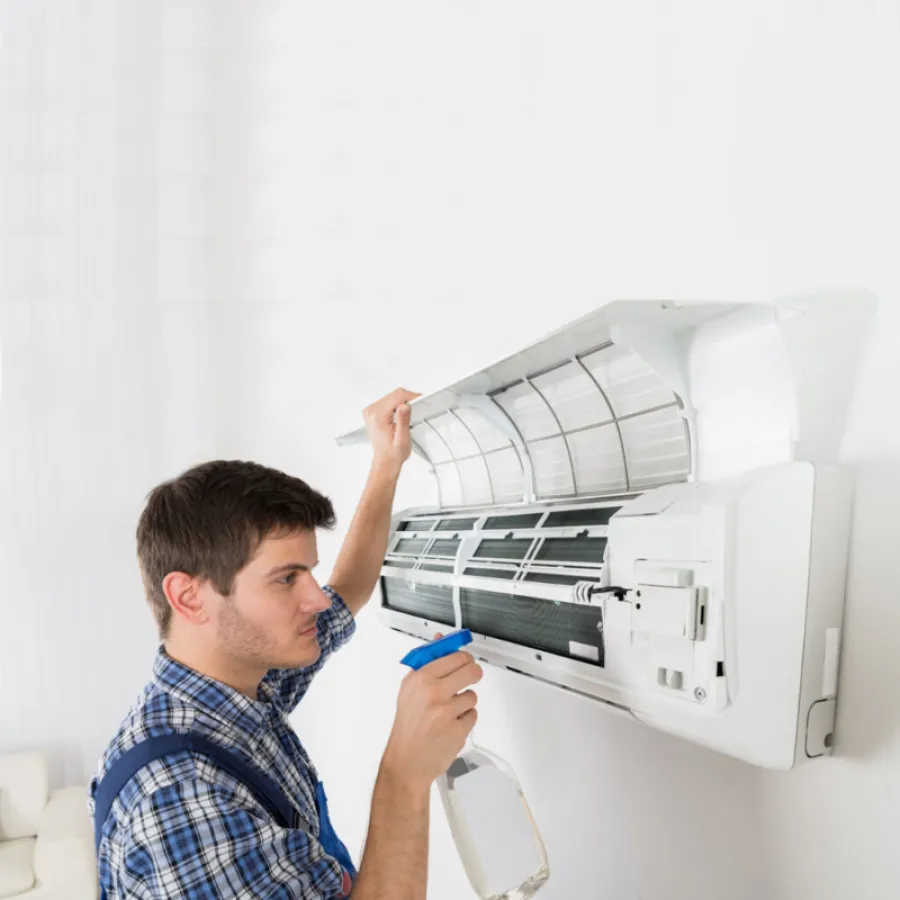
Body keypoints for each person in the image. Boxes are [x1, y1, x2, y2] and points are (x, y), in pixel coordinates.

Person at [89, 388, 483, 900]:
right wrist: (405, 775)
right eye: (287, 578)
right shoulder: (180, 801)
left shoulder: (240, 688)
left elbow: (350, 589)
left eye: (310, 572)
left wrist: (387, 465)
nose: (318, 600)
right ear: (189, 597)